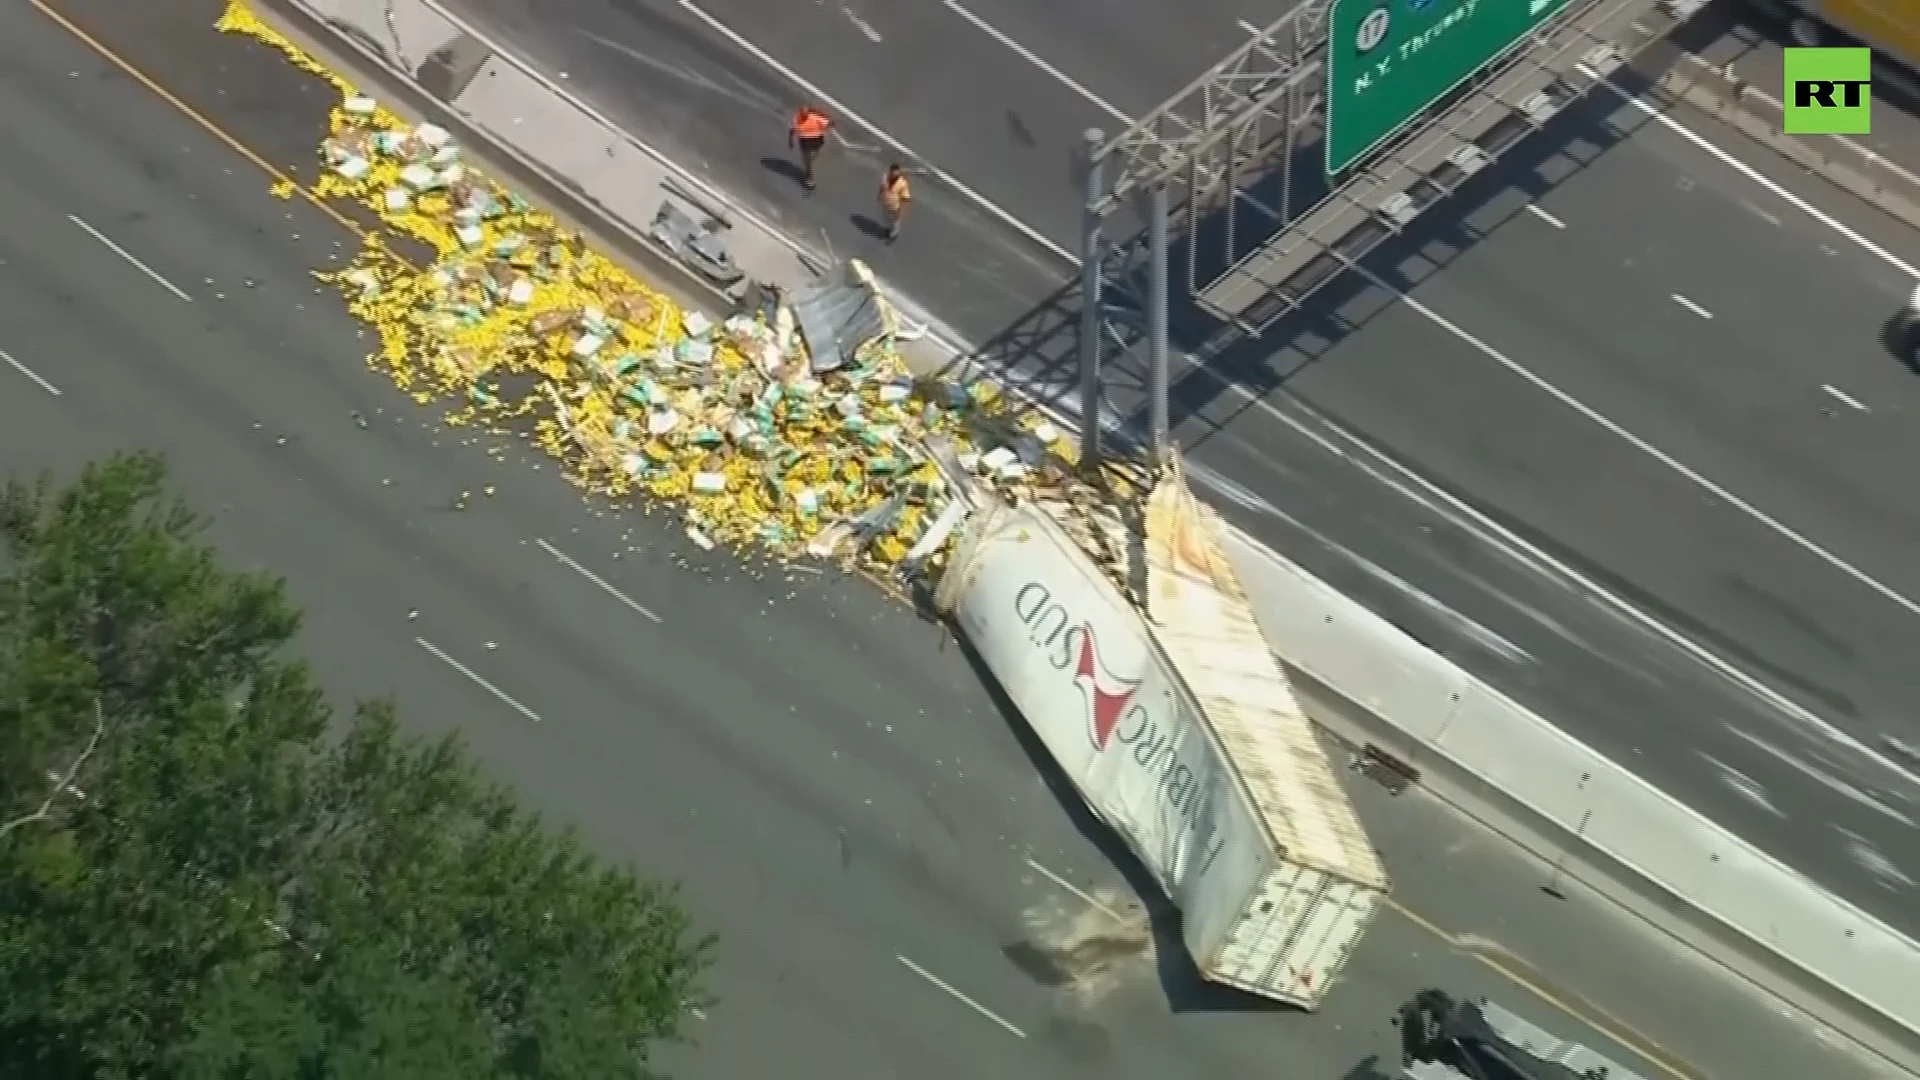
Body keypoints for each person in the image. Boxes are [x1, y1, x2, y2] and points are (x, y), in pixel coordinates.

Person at [788, 105, 832, 191]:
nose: (803, 116)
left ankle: (808, 171)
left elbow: (829, 123)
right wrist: (790, 140)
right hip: (805, 143)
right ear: (800, 113)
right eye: (802, 114)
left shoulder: (816, 117)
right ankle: (809, 179)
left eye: (806, 114)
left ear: (809, 113)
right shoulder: (797, 118)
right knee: (807, 161)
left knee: (813, 157)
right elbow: (792, 130)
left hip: (817, 142)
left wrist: (826, 130)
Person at [878, 163, 911, 243]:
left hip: (895, 207)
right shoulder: (885, 177)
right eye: (892, 172)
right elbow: (882, 187)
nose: (893, 174)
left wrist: (901, 211)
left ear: (898, 172)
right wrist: (879, 196)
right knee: (886, 219)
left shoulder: (903, 184)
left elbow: (905, 199)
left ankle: (893, 235)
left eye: (895, 172)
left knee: (895, 223)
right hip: (885, 203)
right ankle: (889, 229)